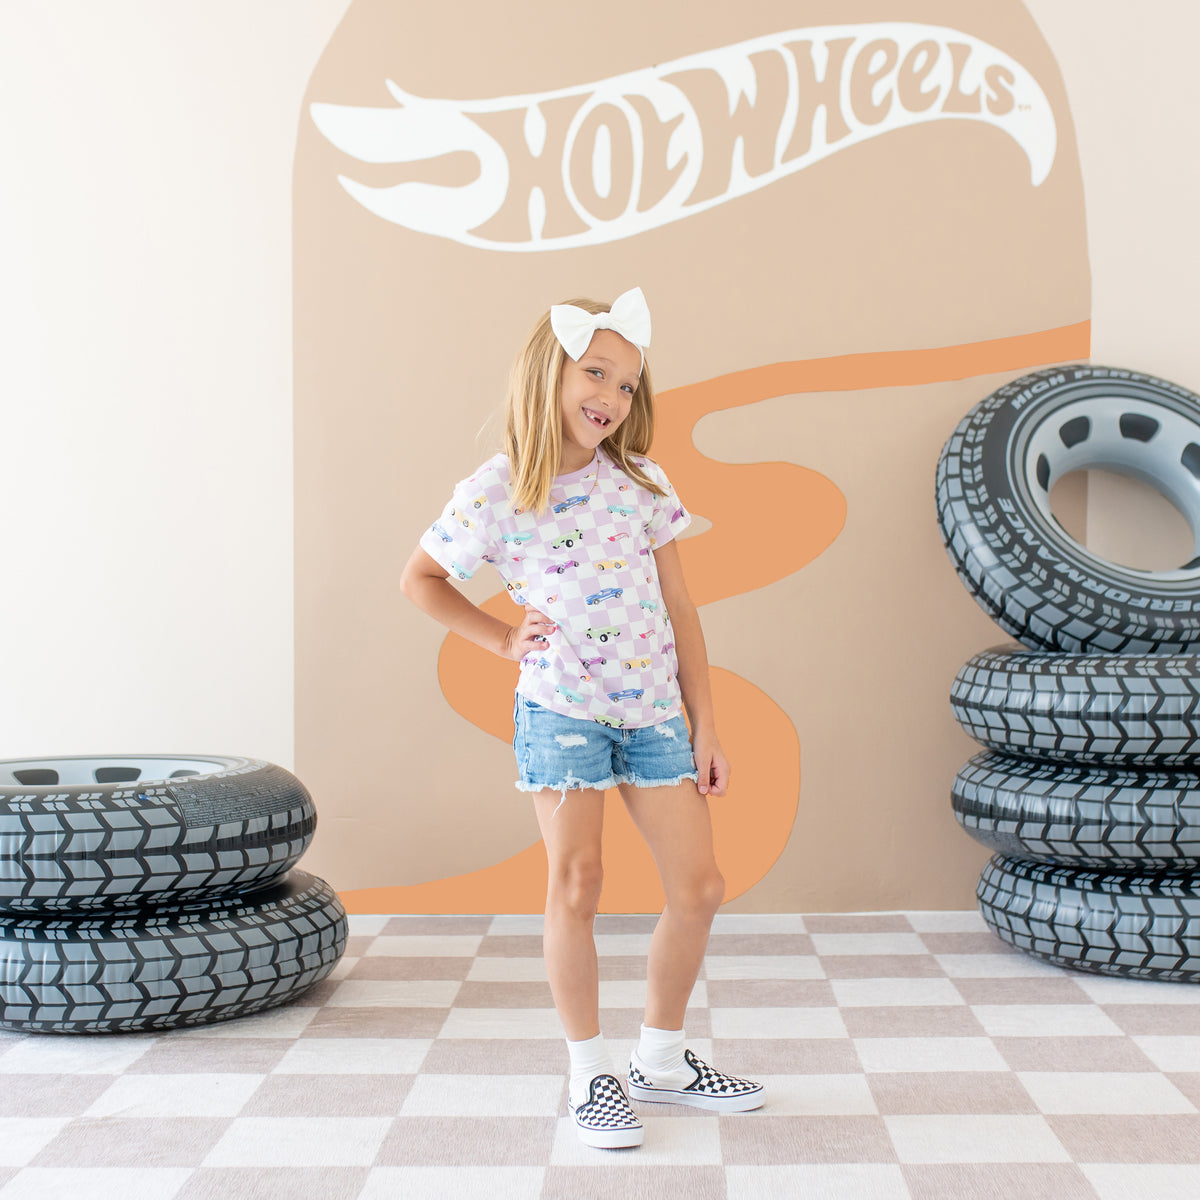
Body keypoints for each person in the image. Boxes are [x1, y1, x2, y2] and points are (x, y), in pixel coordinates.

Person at [400, 287, 763, 1149]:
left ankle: (662, 1061)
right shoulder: (498, 490)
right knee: (578, 883)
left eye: (628, 384)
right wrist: (500, 638)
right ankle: (590, 1074)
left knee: (700, 887)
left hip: (653, 714)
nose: (612, 396)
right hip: (561, 710)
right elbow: (420, 580)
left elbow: (682, 610)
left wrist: (706, 724)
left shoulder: (642, 483)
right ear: (549, 373)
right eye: (596, 373)